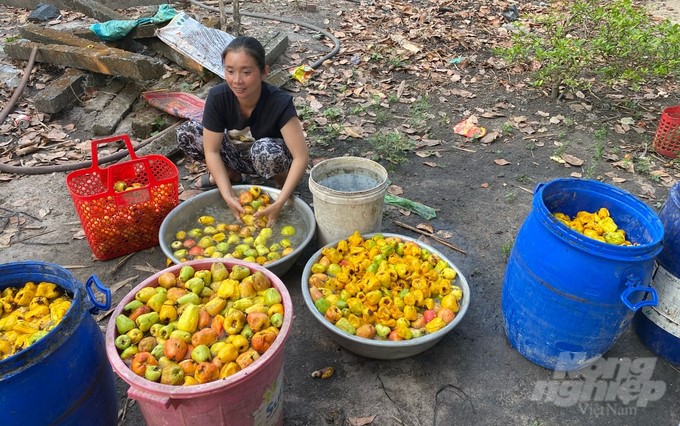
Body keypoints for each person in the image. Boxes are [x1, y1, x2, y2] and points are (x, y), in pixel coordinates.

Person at [176, 36, 308, 226]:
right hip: (237, 156)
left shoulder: (279, 103)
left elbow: (301, 157)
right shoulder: (218, 97)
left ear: (264, 72)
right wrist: (228, 194)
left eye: (246, 72)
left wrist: (279, 202)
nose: (237, 80)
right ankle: (232, 175)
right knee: (187, 133)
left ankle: (281, 186)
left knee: (264, 150)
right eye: (230, 71)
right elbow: (211, 150)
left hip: (268, 160)